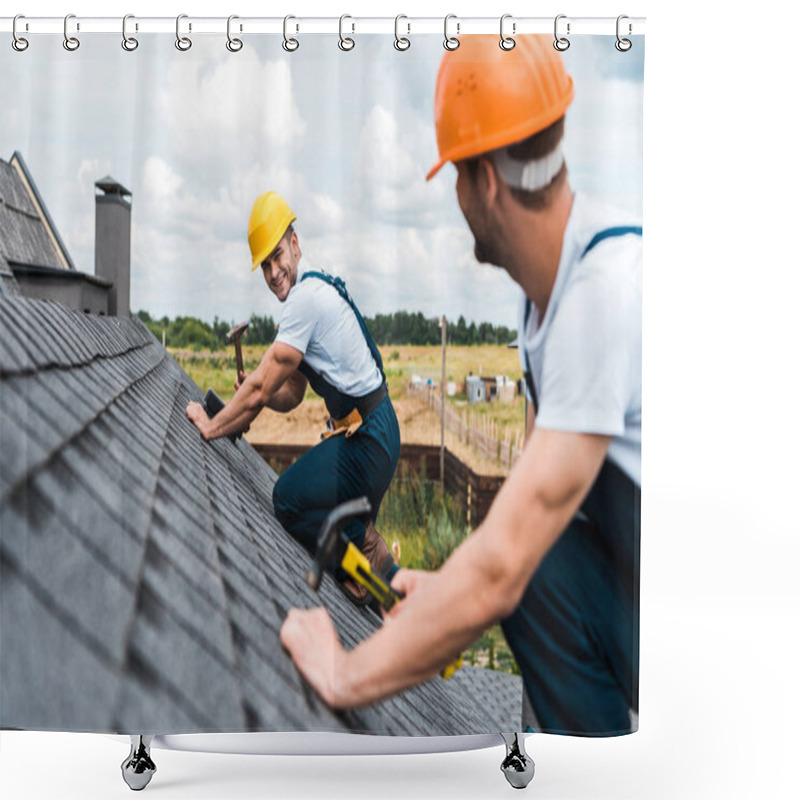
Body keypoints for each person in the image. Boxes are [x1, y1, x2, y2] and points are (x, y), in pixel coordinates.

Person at [280, 35, 642, 736]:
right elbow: (530, 521)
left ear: (487, 181)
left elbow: (508, 564)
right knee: (537, 564)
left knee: (527, 572)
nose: (454, 195)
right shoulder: (544, 298)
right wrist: (450, 588)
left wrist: (344, 673)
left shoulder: (601, 294)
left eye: (454, 175)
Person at [186, 192, 400, 605]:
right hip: (376, 433)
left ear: (296, 244)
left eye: (278, 255)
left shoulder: (304, 301)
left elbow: (263, 386)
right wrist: (260, 394)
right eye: (265, 265)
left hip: (367, 440)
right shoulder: (316, 285)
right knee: (328, 518)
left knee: (288, 500)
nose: (273, 271)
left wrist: (212, 425)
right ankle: (383, 587)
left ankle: (365, 555)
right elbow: (291, 394)